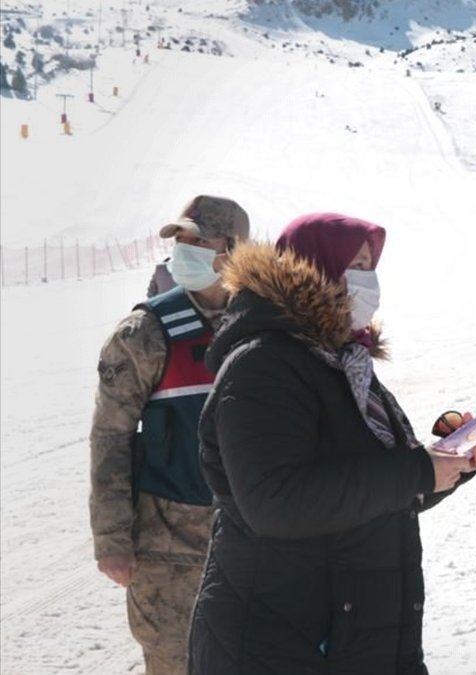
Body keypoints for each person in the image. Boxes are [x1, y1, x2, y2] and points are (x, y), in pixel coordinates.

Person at [187, 212, 476, 675]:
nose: (365, 280)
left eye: (369, 266)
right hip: (278, 642)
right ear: (311, 266)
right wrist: (417, 471)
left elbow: (378, 488)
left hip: (355, 634)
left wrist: (448, 463)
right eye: (354, 264)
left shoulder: (343, 361)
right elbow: (276, 503)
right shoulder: (263, 366)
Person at [89, 194, 250, 675]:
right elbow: (110, 438)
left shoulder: (262, 323)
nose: (186, 250)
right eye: (181, 240)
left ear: (234, 249)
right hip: (169, 550)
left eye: (200, 240)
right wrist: (112, 538)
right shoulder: (144, 333)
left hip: (255, 537)